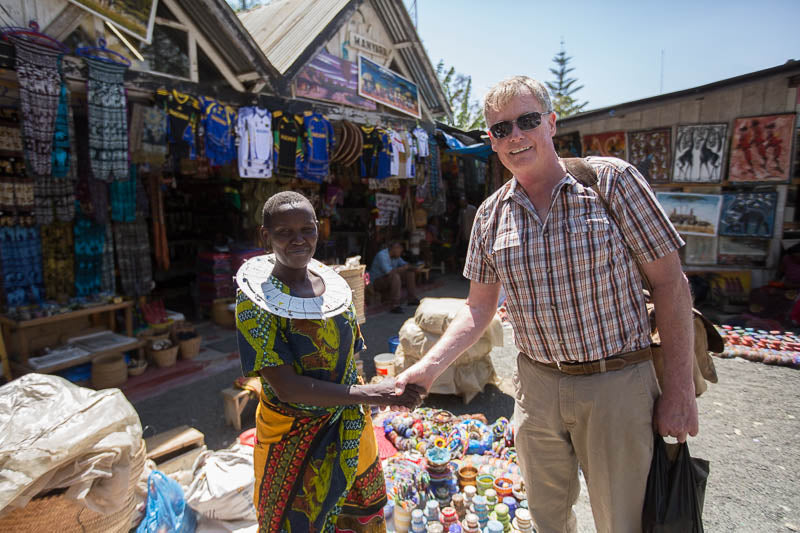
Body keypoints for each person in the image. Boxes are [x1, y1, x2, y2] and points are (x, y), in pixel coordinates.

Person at [394, 76, 698, 533]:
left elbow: (671, 284)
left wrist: (678, 392)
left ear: (551, 123)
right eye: (500, 129)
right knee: (546, 518)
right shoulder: (490, 215)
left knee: (624, 521)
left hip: (616, 383)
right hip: (536, 388)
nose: (515, 136)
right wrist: (426, 368)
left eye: (527, 120)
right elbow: (479, 308)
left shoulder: (611, 183)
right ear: (492, 142)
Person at [235, 191, 423, 532]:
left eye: (307, 229)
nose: (298, 240)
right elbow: (287, 388)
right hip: (291, 437)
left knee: (358, 516)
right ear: (265, 236)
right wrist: (376, 395)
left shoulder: (335, 290)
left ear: (318, 229)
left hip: (350, 426)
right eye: (284, 232)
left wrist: (391, 388)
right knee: (294, 519)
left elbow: (348, 357)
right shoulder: (254, 301)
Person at [369, 241, 420, 313]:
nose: (400, 253)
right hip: (377, 281)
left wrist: (414, 268)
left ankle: (411, 298)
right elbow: (389, 272)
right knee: (395, 276)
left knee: (409, 273)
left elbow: (404, 264)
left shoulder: (396, 256)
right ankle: (395, 305)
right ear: (394, 249)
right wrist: (404, 268)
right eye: (400, 251)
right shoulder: (382, 255)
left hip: (387, 279)